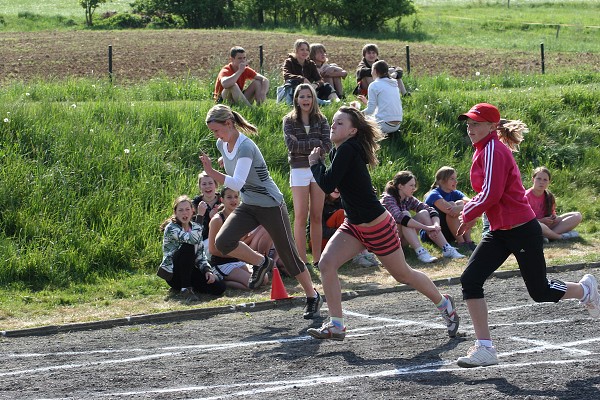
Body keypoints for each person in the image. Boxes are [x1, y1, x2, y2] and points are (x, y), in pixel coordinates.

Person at [455, 103, 599, 368]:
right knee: (470, 280)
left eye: (475, 123)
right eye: (469, 123)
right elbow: (487, 193)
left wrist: (467, 215)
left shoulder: (494, 151)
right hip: (499, 231)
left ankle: (585, 289)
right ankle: (485, 348)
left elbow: (491, 194)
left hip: (521, 230)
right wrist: (471, 212)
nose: (470, 127)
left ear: (492, 126)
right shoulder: (484, 150)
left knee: (540, 291)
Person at [306, 106, 460, 341]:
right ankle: (337, 325)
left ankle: (444, 303)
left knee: (403, 275)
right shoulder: (341, 151)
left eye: (339, 123)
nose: (333, 126)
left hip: (377, 226)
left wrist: (316, 163)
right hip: (355, 225)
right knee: (326, 264)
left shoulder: (348, 149)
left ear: (352, 131)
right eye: (333, 122)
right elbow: (335, 184)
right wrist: (324, 166)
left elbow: (327, 185)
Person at [200, 104, 323, 319]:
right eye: (213, 132)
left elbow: (236, 183)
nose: (215, 135)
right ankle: (261, 262)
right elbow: (235, 170)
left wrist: (212, 172)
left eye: (217, 130)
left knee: (290, 258)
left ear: (229, 124)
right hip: (249, 205)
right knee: (223, 242)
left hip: (270, 205)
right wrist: (224, 163)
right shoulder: (222, 144)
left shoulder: (246, 147)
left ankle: (313, 296)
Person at [283, 83, 332, 270]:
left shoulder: (322, 120)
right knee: (301, 216)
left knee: (317, 216)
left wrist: (306, 144)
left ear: (313, 98)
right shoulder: (288, 120)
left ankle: (318, 259)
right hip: (298, 170)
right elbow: (291, 146)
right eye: (302, 96)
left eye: (309, 96)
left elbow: (327, 145)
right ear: (296, 99)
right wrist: (315, 143)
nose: (306, 100)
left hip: (317, 170)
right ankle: (301, 260)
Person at [381, 170, 465, 263]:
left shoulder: (409, 198)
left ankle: (447, 248)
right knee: (405, 214)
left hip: (401, 238)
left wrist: (436, 225)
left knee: (424, 212)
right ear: (400, 186)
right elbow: (400, 218)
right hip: (388, 241)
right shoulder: (388, 199)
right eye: (411, 185)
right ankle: (421, 252)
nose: (414, 188)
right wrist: (427, 228)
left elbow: (430, 210)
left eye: (414, 185)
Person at [157, 195, 226, 301]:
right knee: (188, 246)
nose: (184, 213)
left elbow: (200, 254)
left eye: (187, 209)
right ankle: (185, 289)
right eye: (180, 210)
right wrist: (200, 216)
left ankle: (192, 286)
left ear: (192, 211)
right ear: (175, 213)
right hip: (174, 274)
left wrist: (207, 270)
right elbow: (191, 239)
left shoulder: (195, 227)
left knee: (219, 287)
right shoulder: (171, 228)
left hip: (190, 271)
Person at [208, 187, 269, 289]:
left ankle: (227, 279)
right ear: (222, 200)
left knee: (264, 279)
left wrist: (250, 254)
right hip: (221, 263)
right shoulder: (217, 220)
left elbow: (241, 243)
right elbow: (212, 250)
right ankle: (223, 281)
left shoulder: (239, 218)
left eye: (236, 197)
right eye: (229, 197)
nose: (234, 200)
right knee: (252, 284)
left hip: (237, 261)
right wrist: (239, 255)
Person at [423, 166, 476, 252]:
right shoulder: (434, 194)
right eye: (452, 179)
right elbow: (451, 211)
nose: (456, 181)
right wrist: (463, 207)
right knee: (453, 205)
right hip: (435, 234)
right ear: (441, 181)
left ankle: (468, 241)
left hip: (451, 232)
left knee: (460, 202)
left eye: (456, 178)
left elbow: (472, 203)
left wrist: (461, 207)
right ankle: (461, 243)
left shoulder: (455, 192)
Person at [525, 166, 582, 241]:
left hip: (547, 225)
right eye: (539, 179)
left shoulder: (549, 195)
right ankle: (561, 237)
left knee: (577, 216)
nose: (541, 182)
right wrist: (541, 221)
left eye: (545, 180)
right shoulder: (526, 196)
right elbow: (523, 221)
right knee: (539, 226)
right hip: (533, 226)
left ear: (549, 182)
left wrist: (553, 217)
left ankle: (547, 236)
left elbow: (552, 213)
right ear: (533, 179)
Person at [280, 39, 339, 105]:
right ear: (296, 50)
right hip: (296, 90)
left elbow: (320, 80)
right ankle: (319, 102)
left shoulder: (310, 63)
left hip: (309, 89)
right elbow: (286, 75)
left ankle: (337, 101)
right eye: (302, 50)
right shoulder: (289, 62)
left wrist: (316, 84)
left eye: (307, 50)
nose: (305, 52)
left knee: (326, 85)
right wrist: (302, 79)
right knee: (292, 83)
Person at [352, 60, 403, 135]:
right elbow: (384, 105)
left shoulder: (374, 85)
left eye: (372, 70)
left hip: (384, 125)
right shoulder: (394, 84)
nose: (371, 73)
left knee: (358, 121)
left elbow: (370, 111)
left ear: (375, 71)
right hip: (397, 125)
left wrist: (356, 114)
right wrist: (367, 102)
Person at [192, 171, 222, 256]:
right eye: (204, 184)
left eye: (210, 183)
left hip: (223, 236)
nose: (207, 186)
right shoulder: (195, 203)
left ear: (216, 185)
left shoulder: (223, 199)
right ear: (200, 187)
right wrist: (206, 217)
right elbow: (194, 230)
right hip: (204, 240)